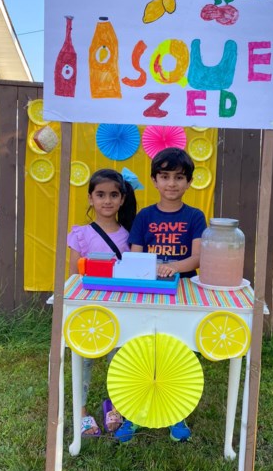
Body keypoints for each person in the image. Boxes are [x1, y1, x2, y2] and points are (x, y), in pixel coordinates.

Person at [121, 147, 206, 443]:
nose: (172, 183)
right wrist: (153, 269)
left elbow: (197, 259)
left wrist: (171, 267)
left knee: (178, 352)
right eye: (165, 176)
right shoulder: (144, 217)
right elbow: (135, 256)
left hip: (183, 293)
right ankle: (131, 411)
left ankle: (176, 411)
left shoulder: (195, 216)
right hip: (147, 291)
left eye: (179, 177)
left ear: (189, 182)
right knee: (140, 349)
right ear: (154, 181)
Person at [67, 168, 138, 438]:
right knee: (84, 358)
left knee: (119, 358)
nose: (107, 201)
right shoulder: (81, 235)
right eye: (100, 195)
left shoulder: (131, 236)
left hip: (120, 309)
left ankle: (115, 404)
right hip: (89, 310)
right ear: (90, 198)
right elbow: (74, 276)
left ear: (122, 199)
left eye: (113, 195)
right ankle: (82, 411)